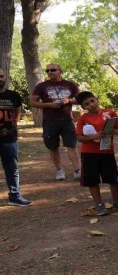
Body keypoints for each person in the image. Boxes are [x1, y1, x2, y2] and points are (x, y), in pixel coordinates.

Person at [74, 91, 118, 216]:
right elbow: (79, 137)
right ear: (83, 107)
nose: (91, 105)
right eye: (87, 104)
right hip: (89, 153)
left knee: (114, 178)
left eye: (92, 101)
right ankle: (99, 205)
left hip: (107, 151)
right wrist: (95, 136)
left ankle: (117, 202)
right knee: (92, 180)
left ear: (97, 99)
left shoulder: (110, 113)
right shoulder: (83, 119)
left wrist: (114, 132)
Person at [30, 63, 81, 181]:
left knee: (71, 145)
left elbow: (80, 99)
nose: (50, 72)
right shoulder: (41, 86)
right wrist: (49, 105)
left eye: (53, 70)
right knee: (53, 147)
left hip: (67, 120)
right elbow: (32, 102)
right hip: (50, 121)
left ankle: (78, 170)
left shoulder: (70, 85)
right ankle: (59, 170)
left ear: (60, 71)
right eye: (47, 71)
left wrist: (69, 100)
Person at [0, 69, 31, 206]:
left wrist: (13, 126)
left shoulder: (13, 95)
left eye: (1, 76)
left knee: (12, 169)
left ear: (5, 77)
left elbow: (18, 111)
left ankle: (15, 196)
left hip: (9, 139)